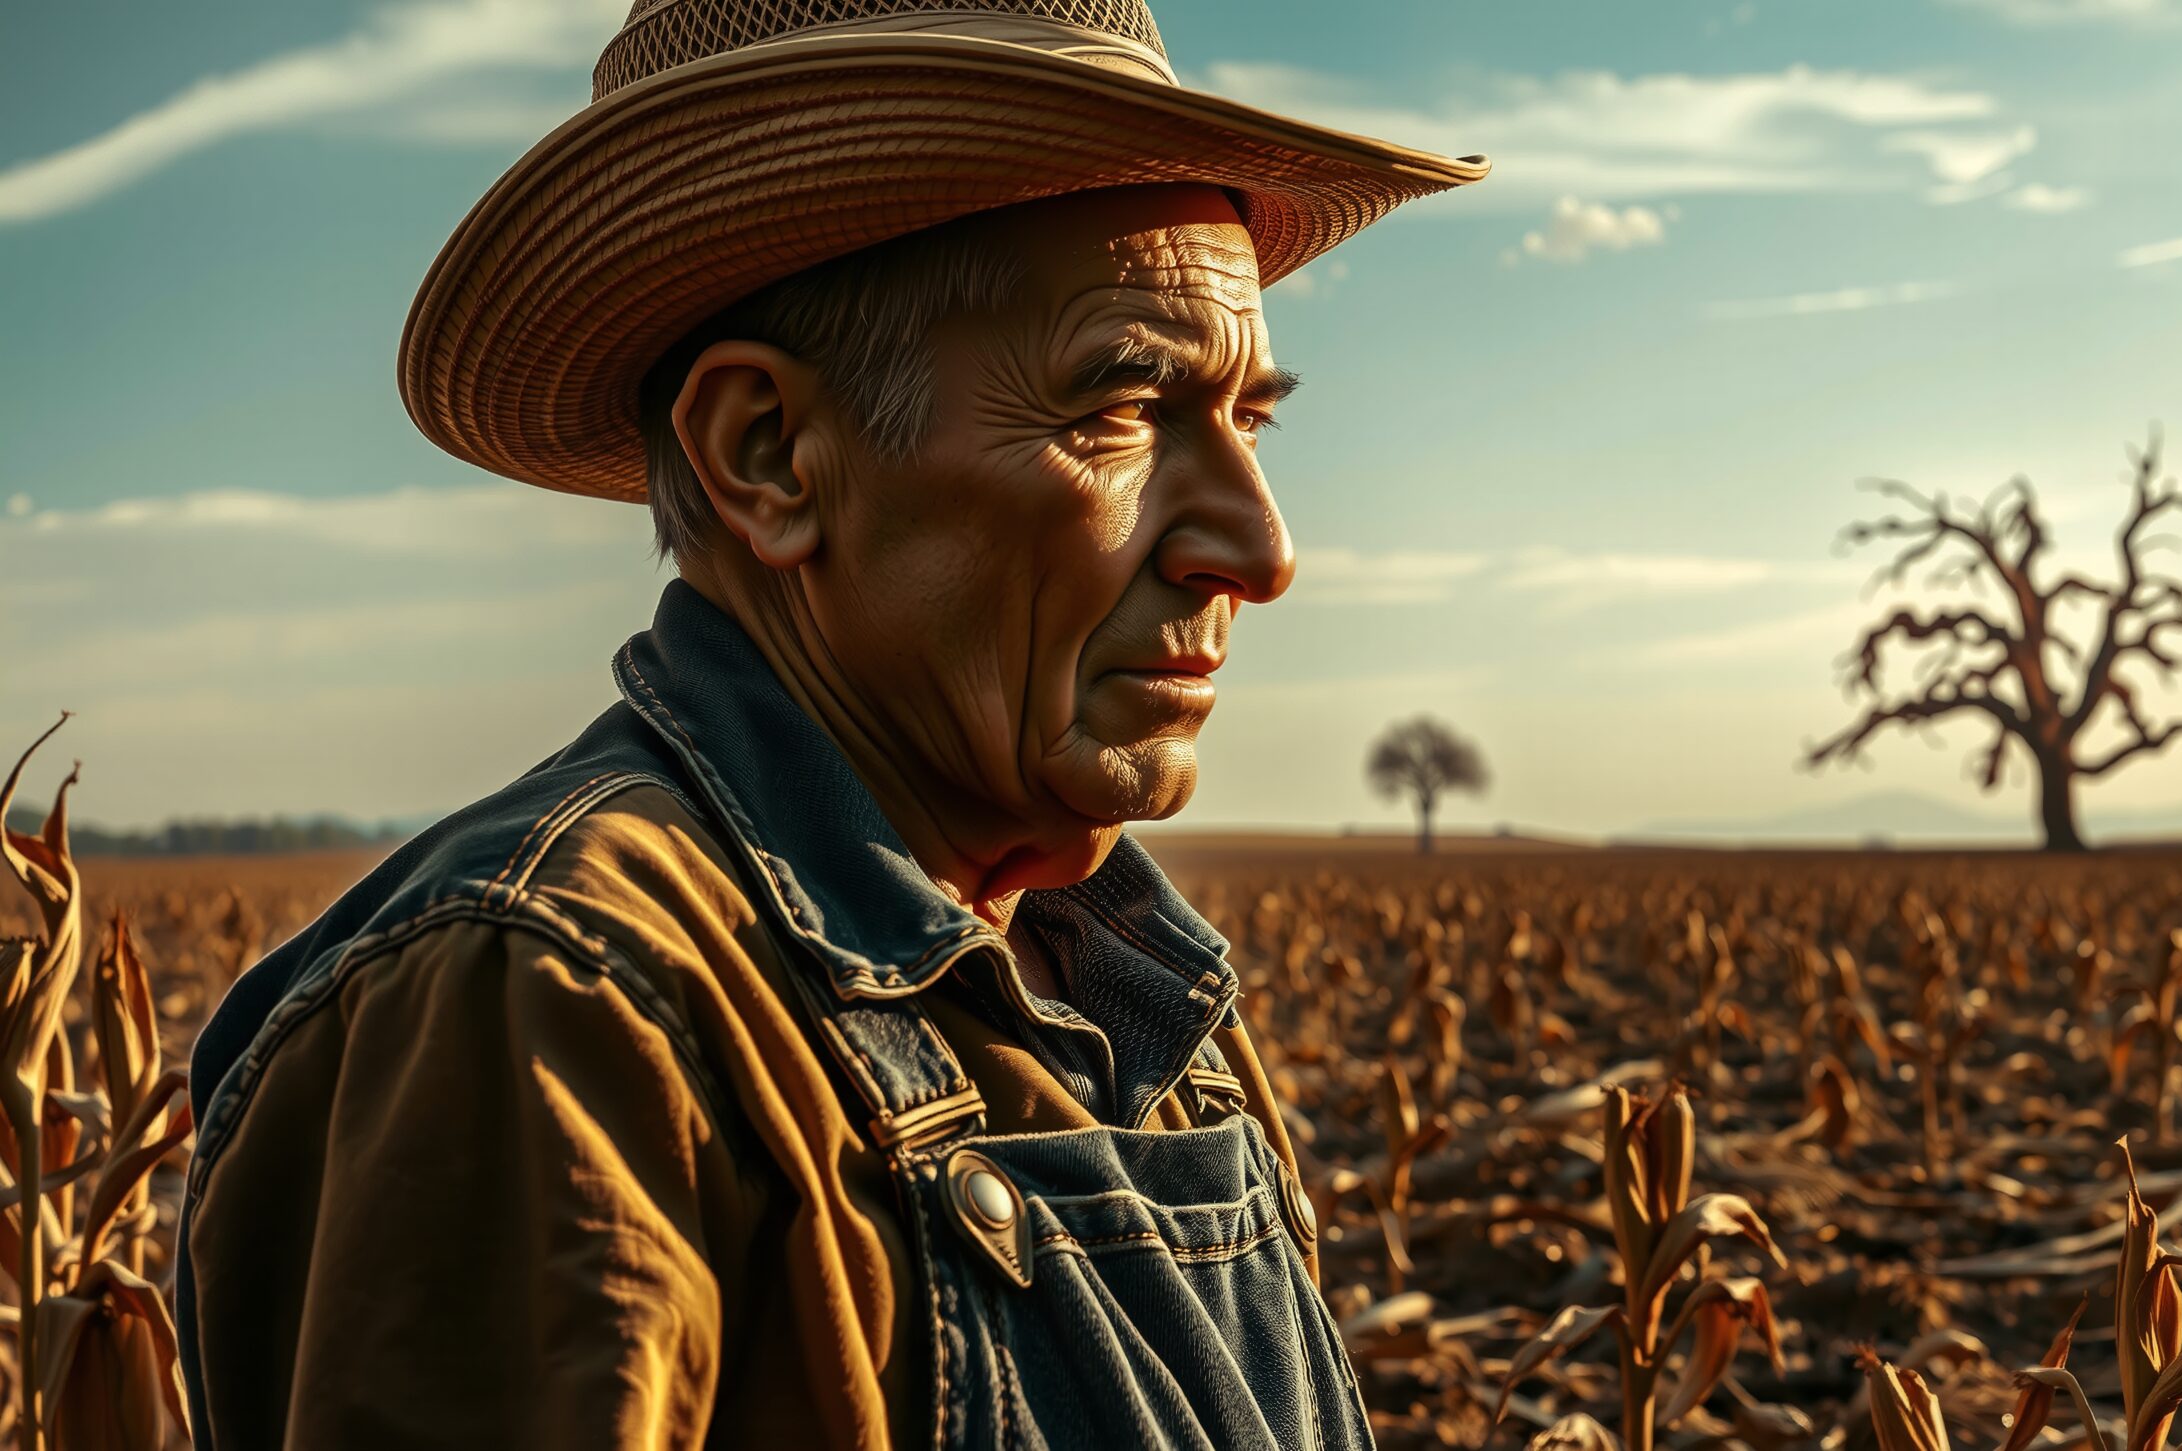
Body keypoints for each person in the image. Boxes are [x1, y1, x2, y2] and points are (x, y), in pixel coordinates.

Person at [171, 3, 1485, 1447]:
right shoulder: (557, 1000)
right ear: (769, 455)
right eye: (1120, 408)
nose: (1259, 546)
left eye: (1251, 417)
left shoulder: (1125, 994)